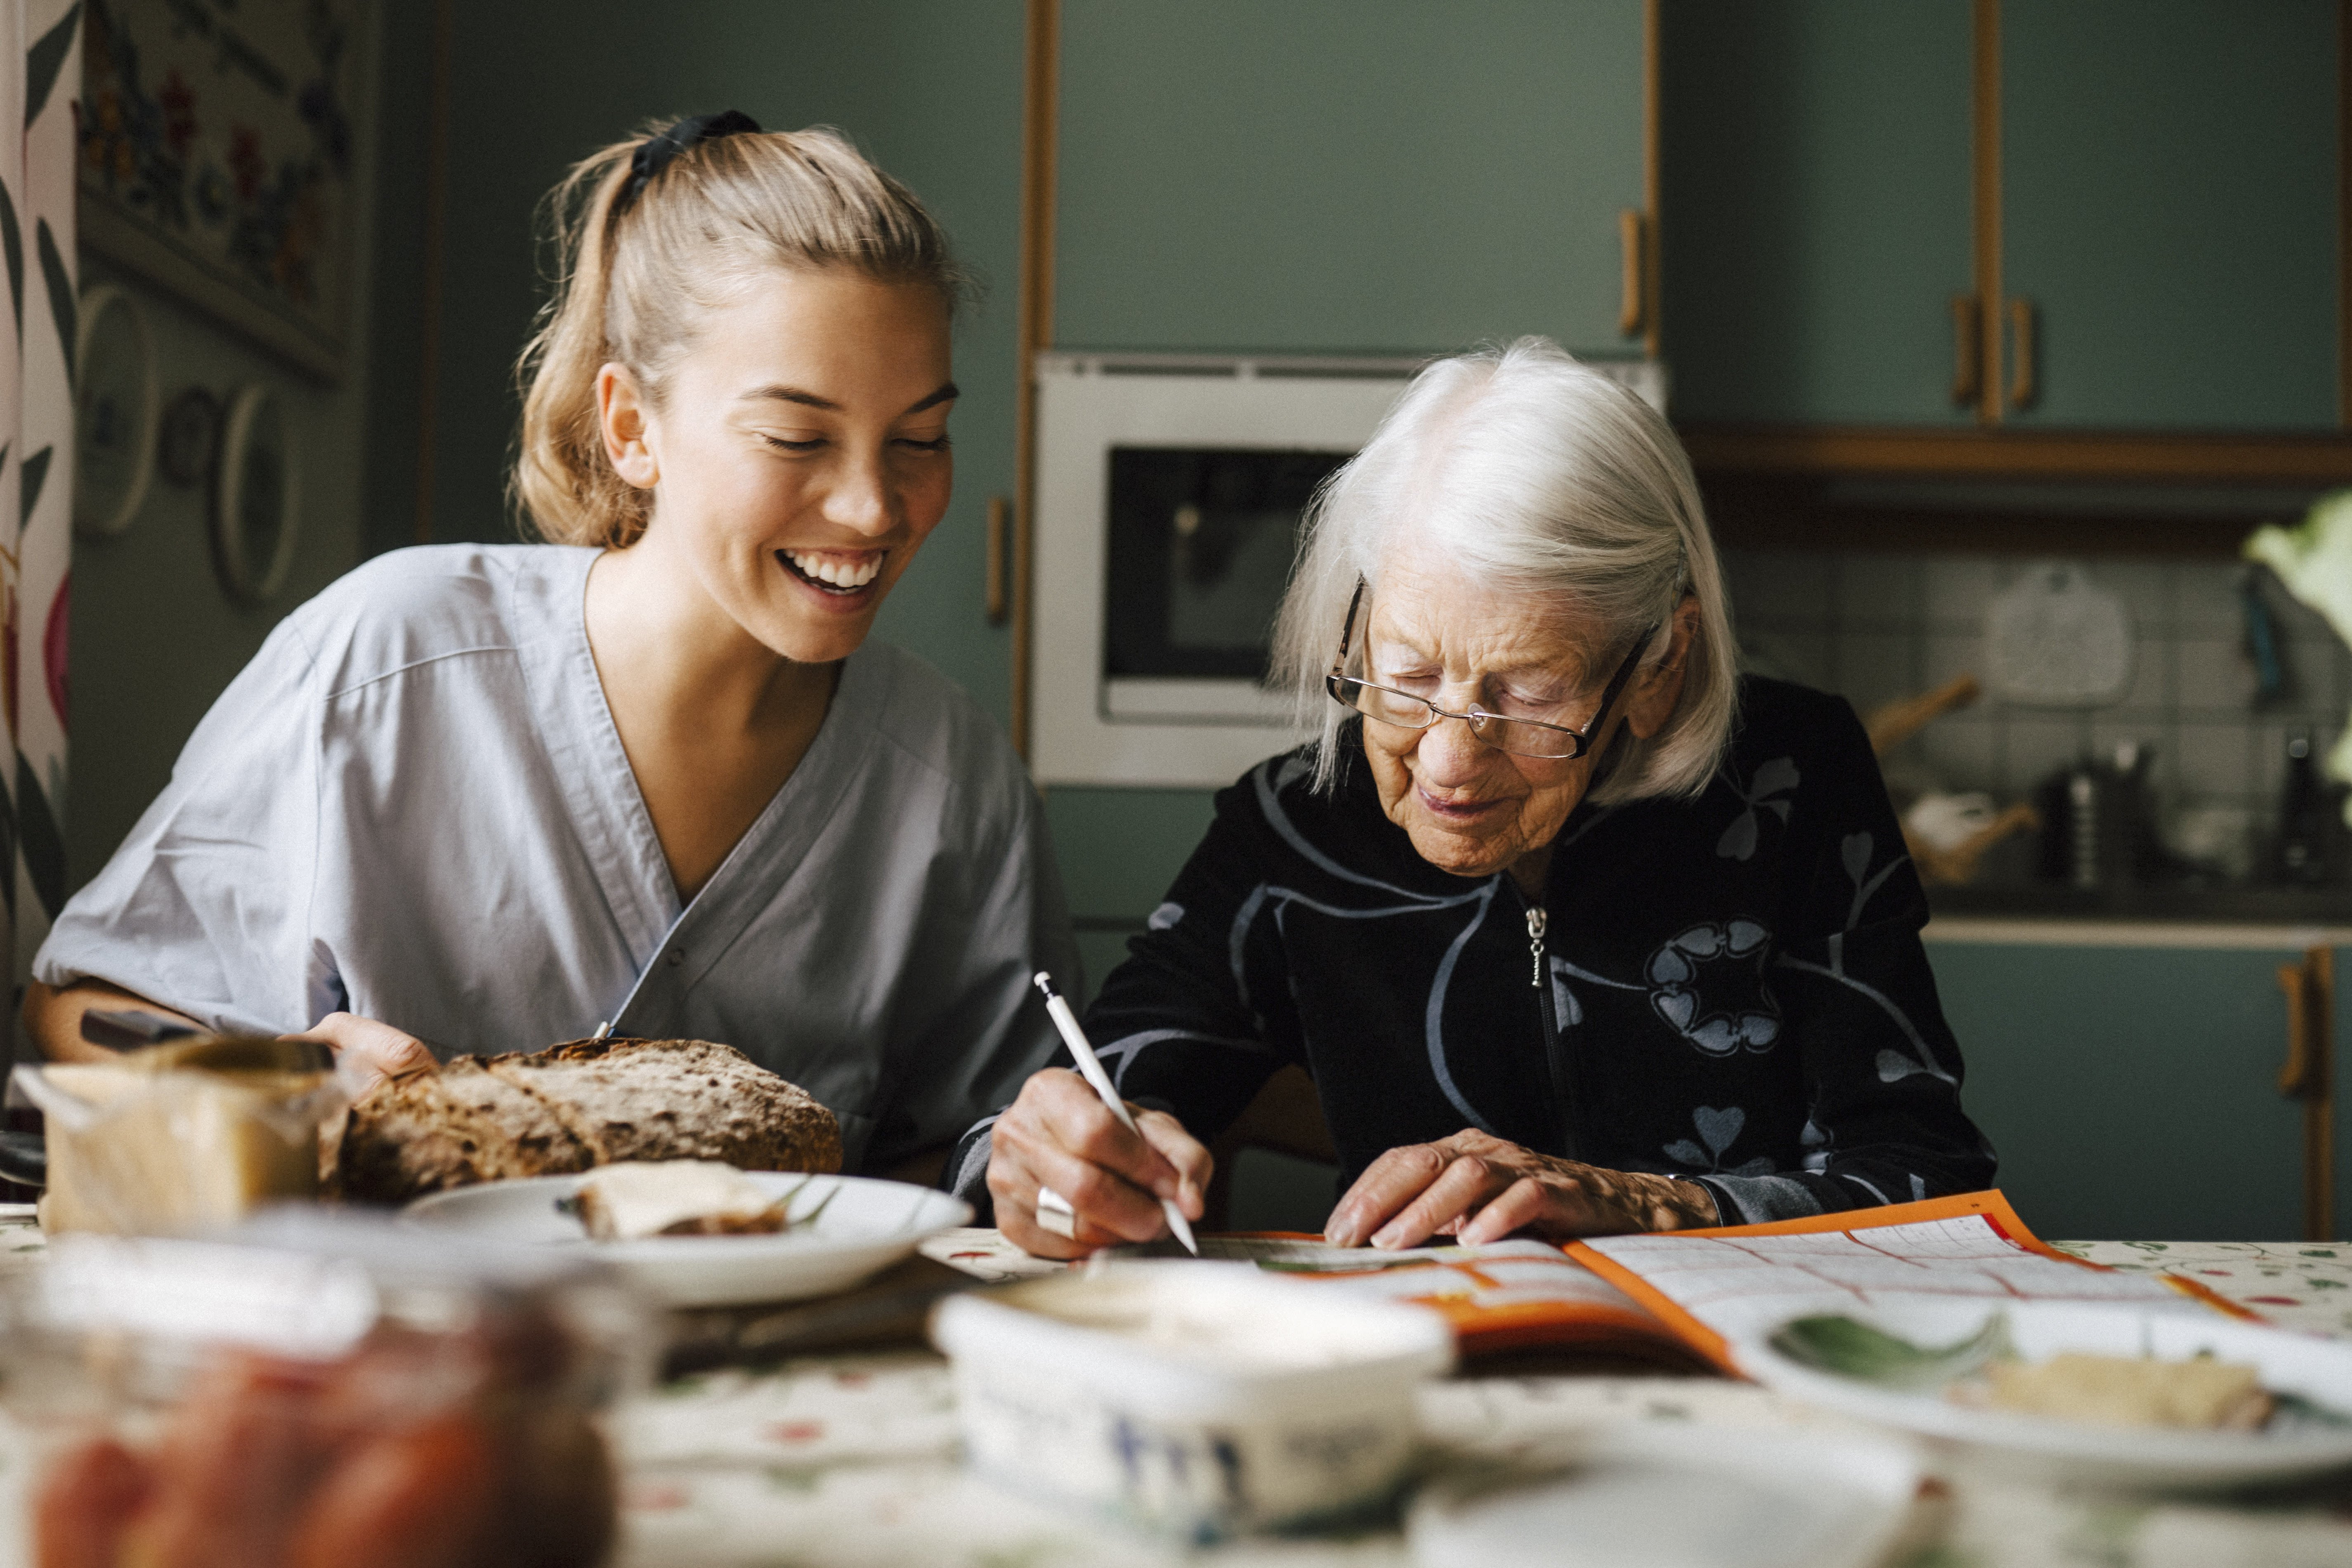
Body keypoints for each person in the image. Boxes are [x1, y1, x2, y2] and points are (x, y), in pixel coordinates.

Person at [28, 113, 1074, 1180]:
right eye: (796, 437)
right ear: (631, 429)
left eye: (920, 439)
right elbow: (80, 1009)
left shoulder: (957, 783)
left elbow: (987, 1146)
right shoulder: (387, 659)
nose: (870, 507)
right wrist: (271, 1080)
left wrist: (1045, 1170)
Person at [963, 337, 1995, 1256]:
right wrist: (1057, 1160)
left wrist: (1643, 1204)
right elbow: (1066, 1103)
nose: (1450, 762)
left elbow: (1932, 1180)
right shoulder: (1293, 827)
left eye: (1532, 695)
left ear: (1659, 666)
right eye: (1406, 678)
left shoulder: (1795, 780)